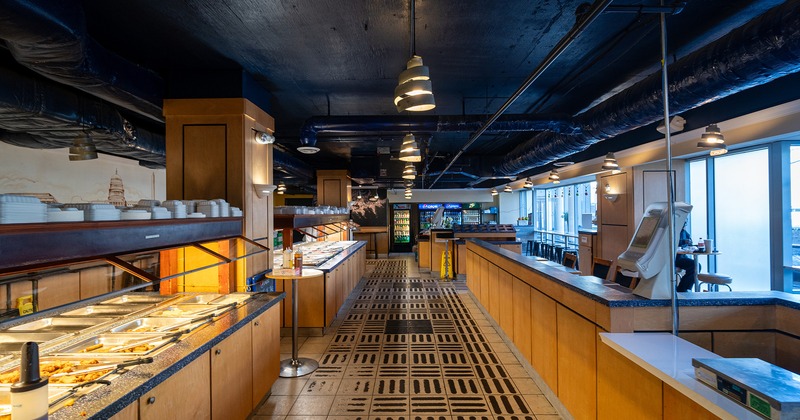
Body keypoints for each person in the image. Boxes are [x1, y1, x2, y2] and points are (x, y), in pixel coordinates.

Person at [675, 223, 696, 292]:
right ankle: (683, 289)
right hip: (675, 258)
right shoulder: (673, 232)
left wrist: (690, 243)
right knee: (694, 265)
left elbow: (690, 243)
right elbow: (673, 242)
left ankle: (684, 288)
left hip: (682, 256)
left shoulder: (685, 233)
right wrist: (683, 241)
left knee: (696, 266)